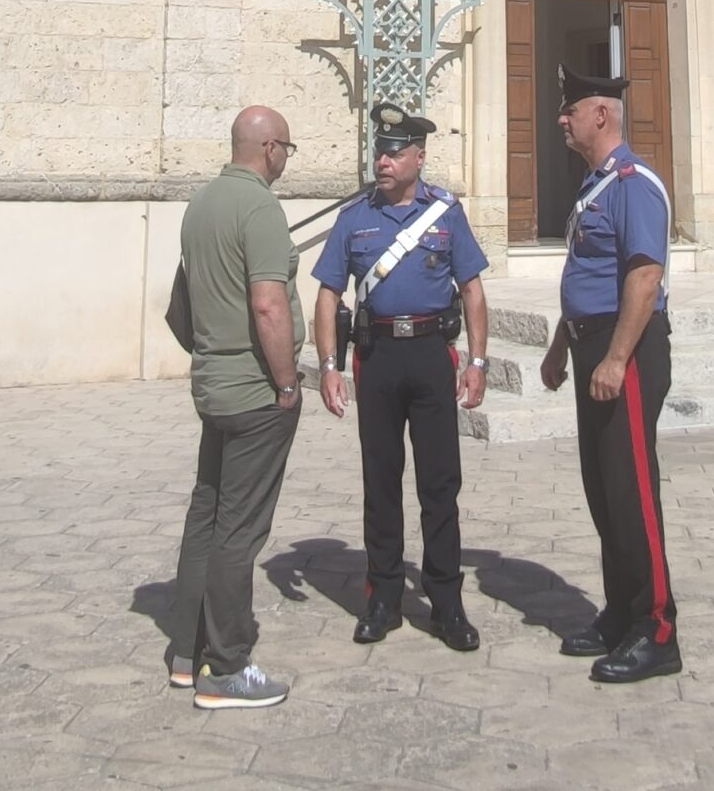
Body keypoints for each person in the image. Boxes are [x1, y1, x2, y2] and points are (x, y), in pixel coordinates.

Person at [312, 101, 490, 652]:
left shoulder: (446, 214)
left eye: (394, 153)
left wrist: (478, 362)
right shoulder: (354, 218)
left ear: (418, 156)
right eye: (379, 151)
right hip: (379, 357)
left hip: (432, 356)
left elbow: (473, 291)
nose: (383, 161)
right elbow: (326, 295)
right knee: (380, 481)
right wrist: (328, 367)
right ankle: (384, 596)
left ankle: (446, 601)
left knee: (440, 485)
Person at [539, 66, 679, 683]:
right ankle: (621, 610)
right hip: (591, 344)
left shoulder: (632, 185)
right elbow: (586, 276)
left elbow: (643, 278)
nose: (560, 121)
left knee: (632, 490)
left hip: (628, 350)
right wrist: (558, 347)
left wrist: (617, 359)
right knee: (603, 489)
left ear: (600, 116)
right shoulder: (594, 186)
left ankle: (657, 626)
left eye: (569, 111)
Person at [167, 106, 304, 709]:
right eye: (287, 150)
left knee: (207, 513)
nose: (285, 161)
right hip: (254, 393)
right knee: (239, 531)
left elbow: (179, 306)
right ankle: (225, 667)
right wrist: (285, 383)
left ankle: (185, 651)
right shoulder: (260, 208)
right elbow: (269, 304)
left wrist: (211, 351)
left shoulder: (201, 205)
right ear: (271, 148)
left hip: (213, 388)